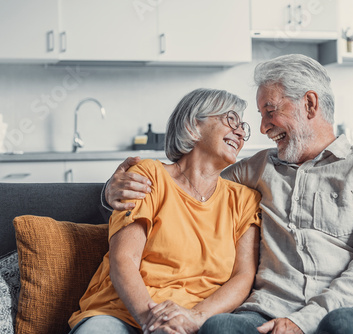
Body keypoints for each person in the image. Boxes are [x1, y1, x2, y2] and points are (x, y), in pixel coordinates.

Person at [104, 54, 353, 334]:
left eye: (270, 112)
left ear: (310, 104)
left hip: (347, 312)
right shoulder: (257, 169)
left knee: (343, 324)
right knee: (219, 327)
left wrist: (302, 322)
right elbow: (188, 180)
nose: (261, 128)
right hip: (264, 317)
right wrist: (111, 190)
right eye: (260, 116)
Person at [69, 88, 262, 334]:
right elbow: (124, 259)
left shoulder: (244, 199)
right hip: (121, 313)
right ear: (193, 126)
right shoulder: (148, 176)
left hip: (192, 322)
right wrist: (153, 323)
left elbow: (243, 277)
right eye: (231, 119)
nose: (241, 131)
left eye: (243, 125)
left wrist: (195, 317)